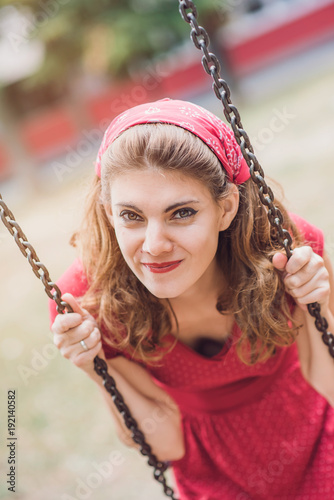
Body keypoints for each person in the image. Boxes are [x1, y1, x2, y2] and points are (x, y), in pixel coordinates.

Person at [50, 98, 334, 500]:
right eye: (131, 215)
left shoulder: (283, 249)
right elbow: (165, 443)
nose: (154, 245)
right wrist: (95, 366)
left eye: (181, 213)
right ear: (110, 213)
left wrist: (317, 303)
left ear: (225, 208)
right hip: (211, 474)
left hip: (318, 435)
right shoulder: (88, 302)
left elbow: (329, 382)